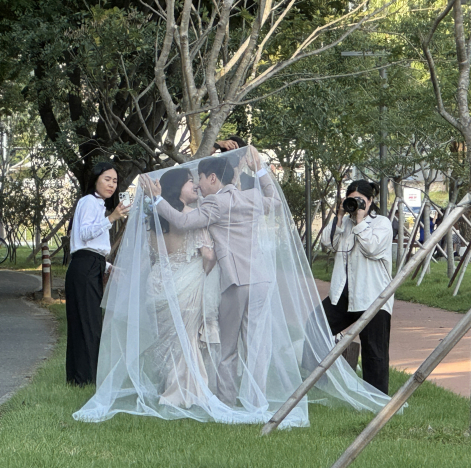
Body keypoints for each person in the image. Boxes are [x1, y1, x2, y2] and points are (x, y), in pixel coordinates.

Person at [74, 147, 391, 426]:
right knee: (256, 346)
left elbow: (182, 223)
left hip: (236, 282)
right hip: (262, 279)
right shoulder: (252, 196)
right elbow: (274, 200)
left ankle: (225, 403)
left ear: (213, 179)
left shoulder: (214, 205)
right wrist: (262, 169)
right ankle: (256, 402)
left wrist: (156, 198)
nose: (198, 185)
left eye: (200, 179)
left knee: (226, 350)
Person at [147, 168, 221, 408]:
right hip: (185, 282)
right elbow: (208, 254)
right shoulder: (193, 216)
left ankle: (167, 385)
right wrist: (205, 271)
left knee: (167, 339)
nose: (195, 186)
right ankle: (182, 390)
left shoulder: (154, 218)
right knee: (185, 338)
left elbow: (152, 253)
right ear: (178, 187)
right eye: (190, 182)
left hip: (158, 281)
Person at [321, 180, 393, 394]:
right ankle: (319, 383)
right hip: (343, 293)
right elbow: (327, 243)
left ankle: (377, 398)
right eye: (352, 200)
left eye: (361, 200)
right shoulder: (345, 223)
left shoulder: (381, 223)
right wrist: (340, 216)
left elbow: (372, 248)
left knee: (375, 352)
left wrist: (361, 220)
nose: (357, 205)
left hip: (373, 296)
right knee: (315, 329)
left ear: (371, 201)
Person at [65, 162, 129, 386]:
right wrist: (112, 218)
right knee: (87, 323)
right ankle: (84, 378)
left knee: (89, 322)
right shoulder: (88, 202)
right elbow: (84, 235)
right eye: (107, 179)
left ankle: (81, 376)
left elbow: (94, 248)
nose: (111, 184)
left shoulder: (98, 205)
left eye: (114, 181)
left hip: (91, 264)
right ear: (95, 180)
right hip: (85, 267)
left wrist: (110, 268)